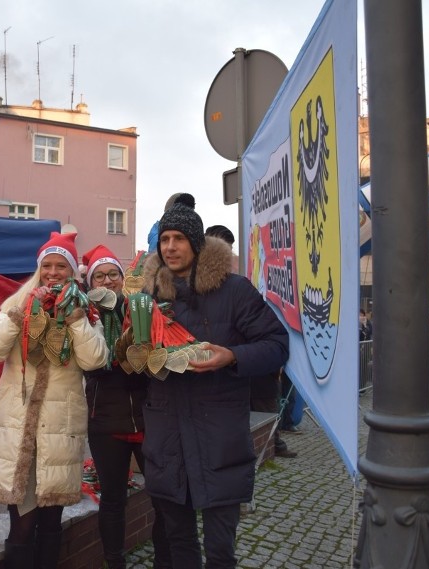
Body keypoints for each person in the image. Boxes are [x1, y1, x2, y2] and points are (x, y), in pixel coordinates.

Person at [141, 200, 289, 568]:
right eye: (165, 239)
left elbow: (277, 345)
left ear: (195, 242)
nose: (170, 247)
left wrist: (232, 357)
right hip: (168, 436)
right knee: (179, 544)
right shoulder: (148, 298)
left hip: (219, 436)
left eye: (178, 238)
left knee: (221, 551)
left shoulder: (234, 290)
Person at [0, 232, 109, 569]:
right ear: (38, 270)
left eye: (61, 266)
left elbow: (95, 360)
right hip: (17, 431)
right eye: (47, 265)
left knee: (51, 524)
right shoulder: (15, 303)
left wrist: (77, 318)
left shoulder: (87, 312)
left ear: (72, 272)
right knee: (20, 524)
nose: (53, 272)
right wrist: (20, 315)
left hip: (58, 433)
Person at [81, 245, 171, 569]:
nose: (107, 281)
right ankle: (114, 563)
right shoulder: (85, 317)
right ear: (91, 283)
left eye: (113, 274)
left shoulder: (141, 309)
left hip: (148, 421)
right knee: (114, 500)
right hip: (106, 423)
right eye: (99, 276)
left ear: (122, 278)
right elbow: (89, 366)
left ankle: (165, 560)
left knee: (164, 499)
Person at [249, 370, 297, 458]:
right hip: (261, 384)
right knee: (268, 416)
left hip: (263, 384)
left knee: (269, 416)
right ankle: (276, 445)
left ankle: (276, 445)